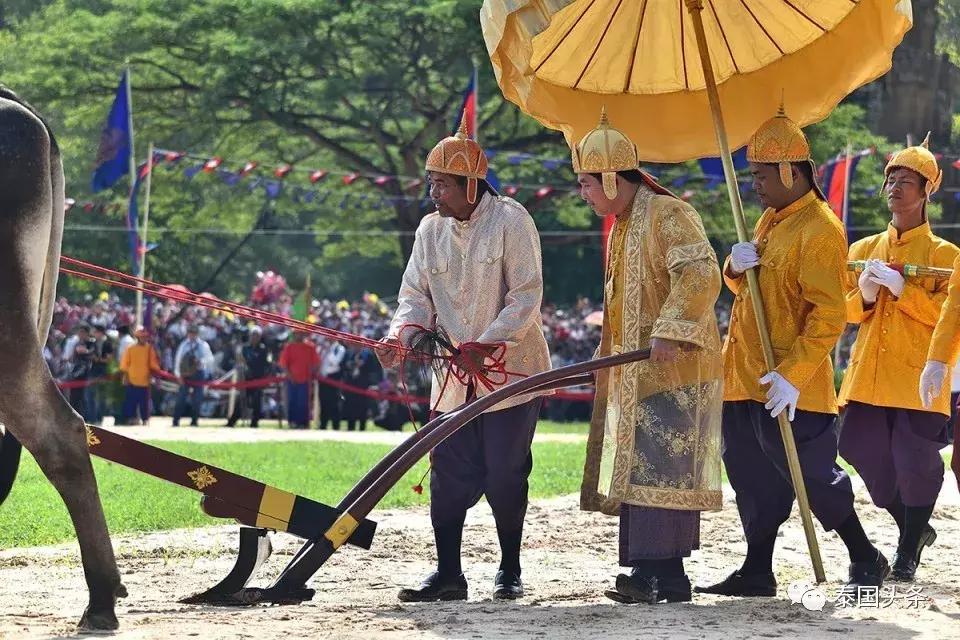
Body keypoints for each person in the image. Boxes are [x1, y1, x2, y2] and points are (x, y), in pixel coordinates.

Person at [698, 106, 888, 597]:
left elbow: (828, 315)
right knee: (751, 477)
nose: (754, 184)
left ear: (789, 170)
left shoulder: (821, 230)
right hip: (744, 373)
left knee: (811, 477)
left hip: (790, 382)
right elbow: (749, 295)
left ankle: (866, 555)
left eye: (760, 175)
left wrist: (794, 374)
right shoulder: (767, 220)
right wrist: (735, 268)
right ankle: (757, 569)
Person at [378, 117, 551, 601]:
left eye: (442, 184)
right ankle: (449, 574)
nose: (433, 192)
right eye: (431, 183)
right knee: (448, 475)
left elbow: (526, 296)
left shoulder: (513, 220)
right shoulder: (428, 231)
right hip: (453, 379)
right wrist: (400, 337)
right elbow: (414, 296)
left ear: (471, 184)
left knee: (504, 474)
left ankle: (510, 570)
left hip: (511, 373)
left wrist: (489, 341)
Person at [574, 110, 723, 604]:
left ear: (612, 178)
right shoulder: (622, 226)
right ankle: (660, 576)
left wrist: (670, 330)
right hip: (638, 371)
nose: (584, 194)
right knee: (642, 473)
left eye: (587, 184)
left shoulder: (668, 213)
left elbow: (701, 274)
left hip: (674, 370)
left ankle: (657, 576)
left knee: (661, 472)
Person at [838, 134, 952, 582]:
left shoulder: (947, 256)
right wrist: (864, 294)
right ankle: (914, 525)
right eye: (891, 180)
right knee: (855, 447)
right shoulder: (863, 249)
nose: (895, 188)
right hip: (868, 373)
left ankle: (907, 552)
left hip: (918, 375)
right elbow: (844, 312)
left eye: (906, 182)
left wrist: (906, 293)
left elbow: (951, 318)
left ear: (927, 191)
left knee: (916, 461)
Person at [226, 326, 271, 428]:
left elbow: (265, 364)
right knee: (241, 400)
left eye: (256, 335)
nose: (254, 337)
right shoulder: (245, 348)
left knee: (257, 401)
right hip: (246, 378)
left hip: (258, 378)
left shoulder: (263, 349)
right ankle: (232, 421)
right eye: (252, 335)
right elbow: (240, 360)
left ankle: (254, 422)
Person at [119, 327, 162, 425]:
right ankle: (131, 419)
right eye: (142, 337)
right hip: (132, 379)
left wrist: (157, 370)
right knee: (131, 402)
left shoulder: (149, 348)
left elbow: (153, 363)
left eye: (145, 337)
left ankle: (145, 419)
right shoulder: (130, 348)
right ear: (137, 337)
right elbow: (125, 364)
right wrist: (126, 377)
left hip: (145, 380)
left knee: (144, 403)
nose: (144, 339)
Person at [173, 325, 214, 427]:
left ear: (197, 334)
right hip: (185, 375)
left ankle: (194, 421)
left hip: (199, 374)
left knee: (197, 399)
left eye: (194, 333)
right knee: (181, 398)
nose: (192, 335)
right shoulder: (183, 345)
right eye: (190, 332)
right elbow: (178, 360)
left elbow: (210, 359)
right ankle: (175, 421)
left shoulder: (203, 345)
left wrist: (201, 362)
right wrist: (178, 375)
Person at [278, 332, 319, 429]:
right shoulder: (289, 347)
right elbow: (283, 364)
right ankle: (292, 422)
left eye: (300, 334)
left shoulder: (310, 347)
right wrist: (290, 377)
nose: (299, 335)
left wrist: (312, 374)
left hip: (305, 380)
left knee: (303, 402)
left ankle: (303, 423)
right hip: (291, 380)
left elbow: (316, 363)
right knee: (292, 401)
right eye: (297, 334)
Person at [318, 338, 346, 430]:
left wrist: (329, 351)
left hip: (334, 378)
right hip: (323, 379)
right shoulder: (323, 348)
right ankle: (323, 425)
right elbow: (319, 361)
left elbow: (335, 362)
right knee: (323, 404)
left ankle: (335, 426)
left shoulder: (340, 349)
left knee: (334, 404)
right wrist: (322, 350)